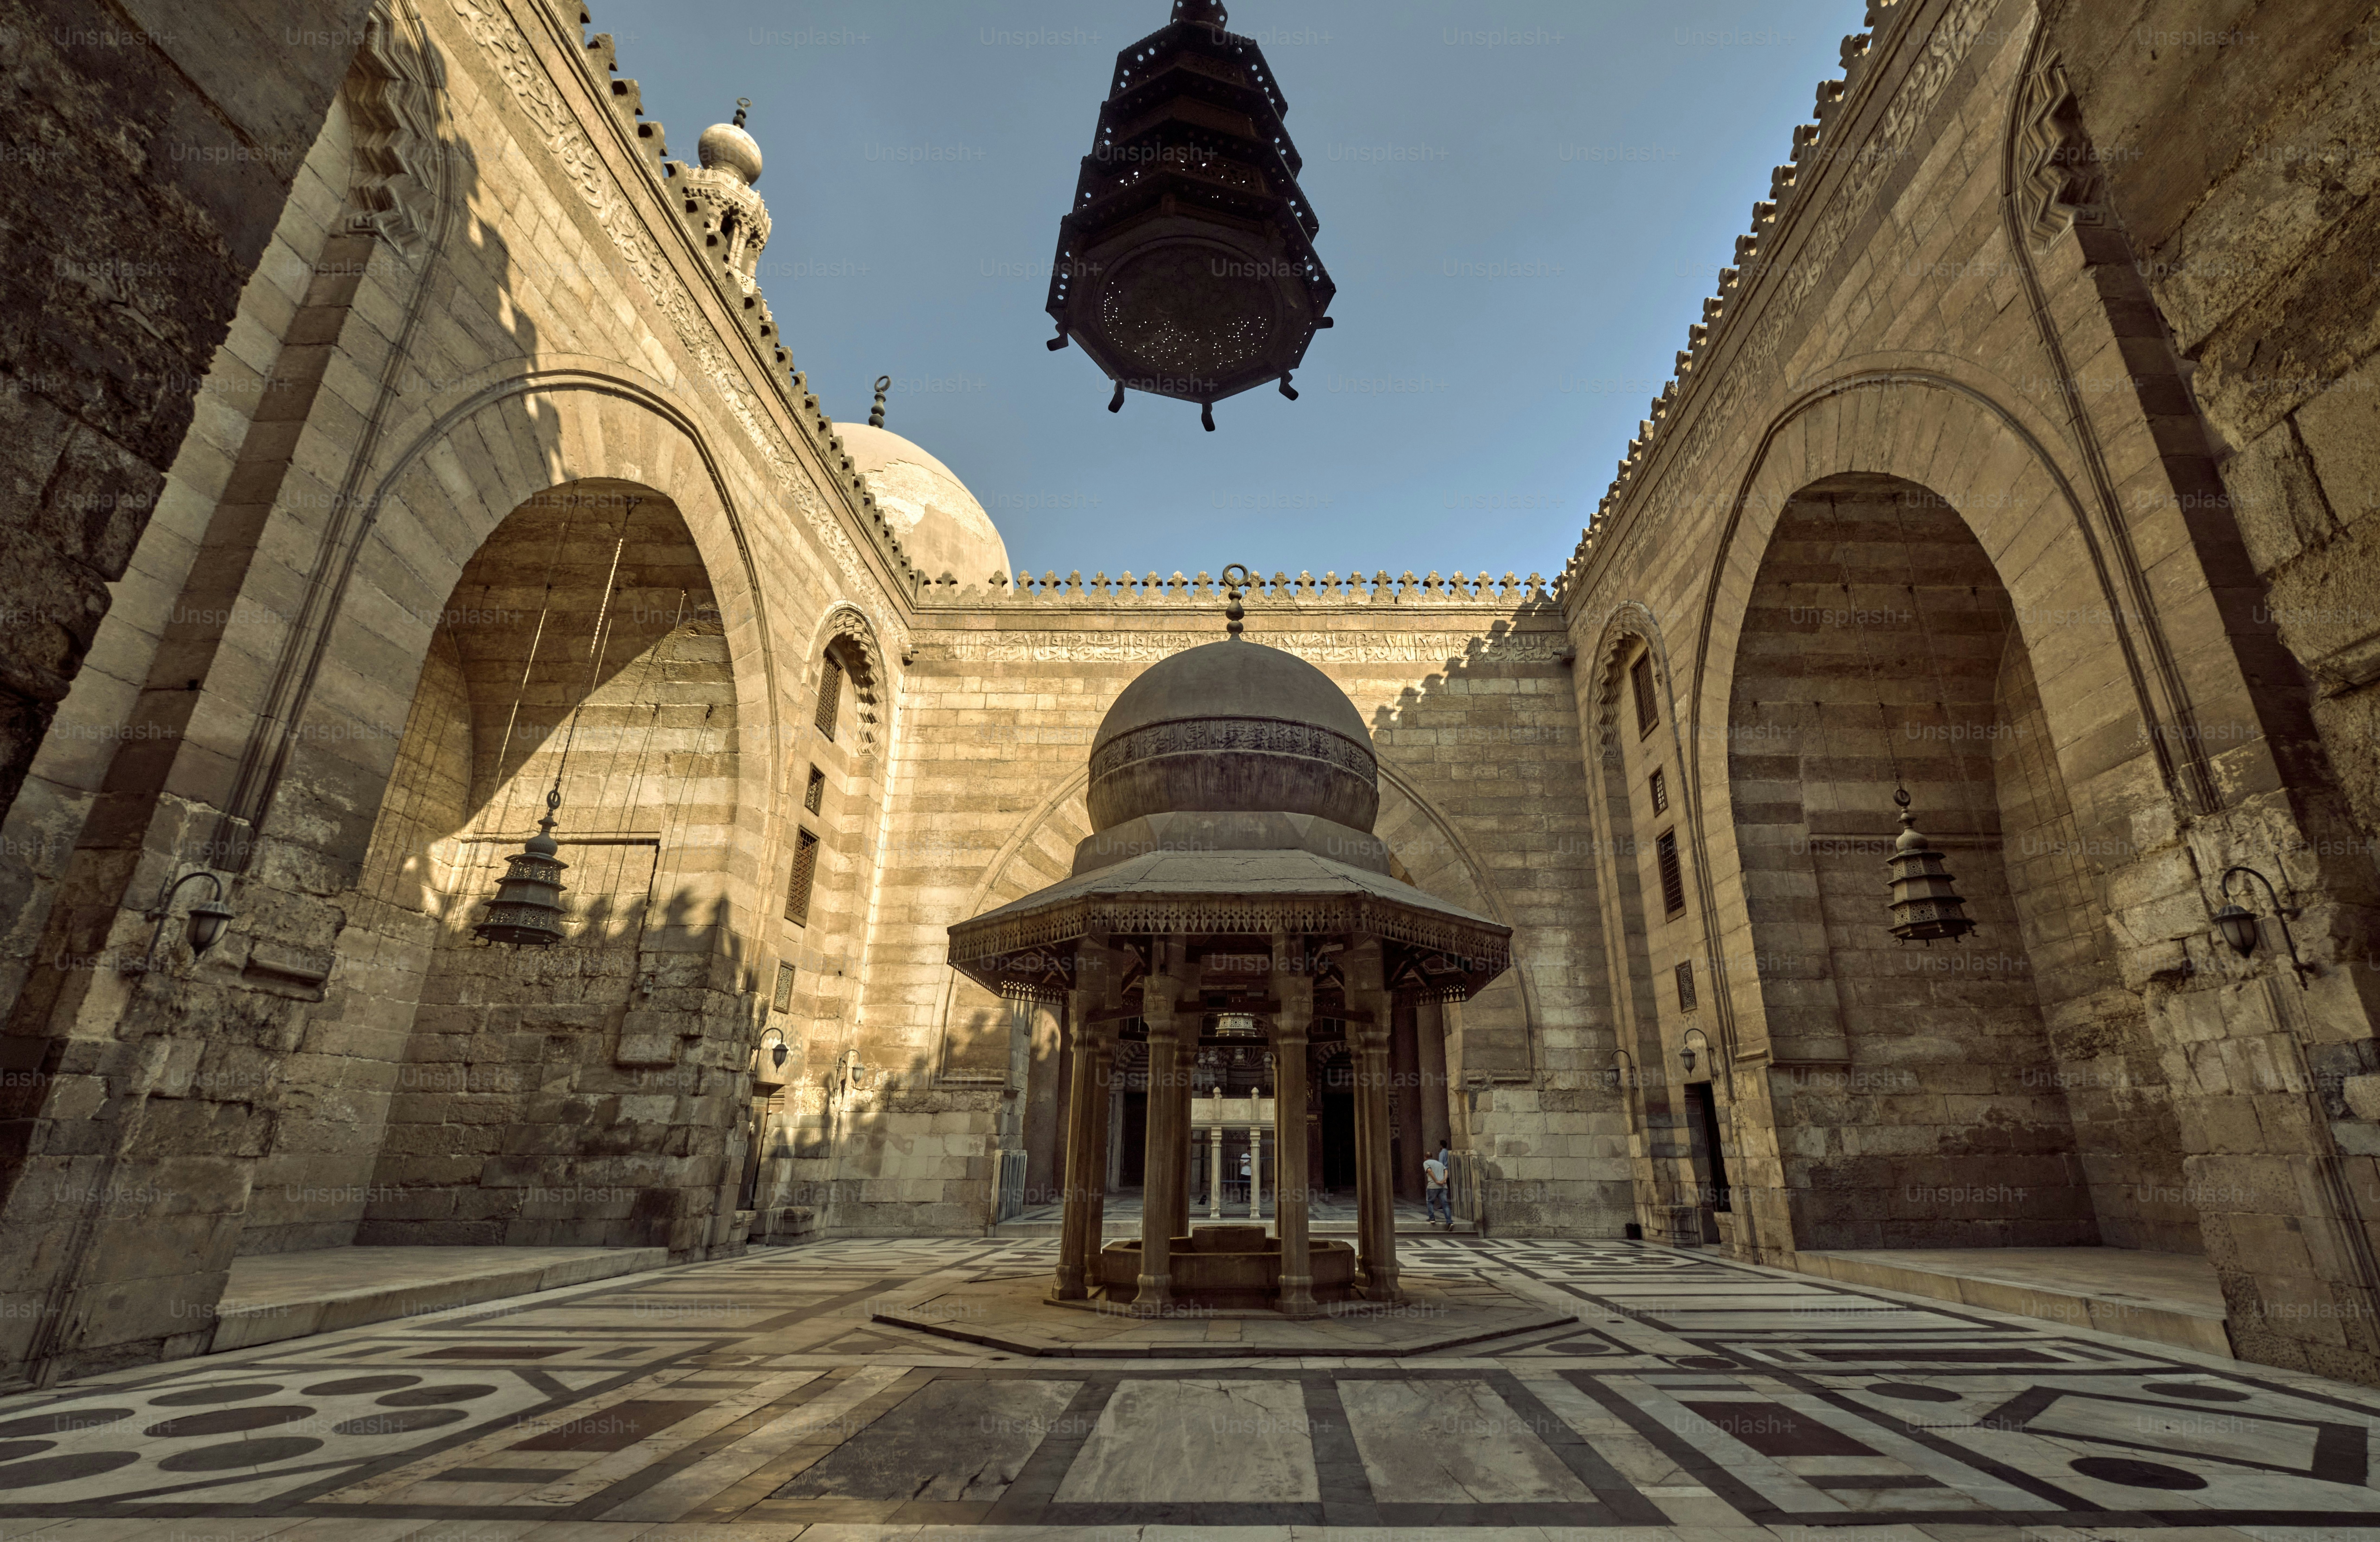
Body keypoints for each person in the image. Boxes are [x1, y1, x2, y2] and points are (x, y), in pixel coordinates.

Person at [1423, 1144, 1452, 1226]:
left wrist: (1436, 1181)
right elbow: (1446, 1171)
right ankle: (1450, 1222)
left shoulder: (1426, 1163)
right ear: (1432, 1157)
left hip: (1433, 1186)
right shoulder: (1439, 1163)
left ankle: (1432, 1218)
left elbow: (1429, 1171)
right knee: (1445, 1204)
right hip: (1443, 1187)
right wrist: (1445, 1180)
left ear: (1426, 1157)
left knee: (1430, 1202)